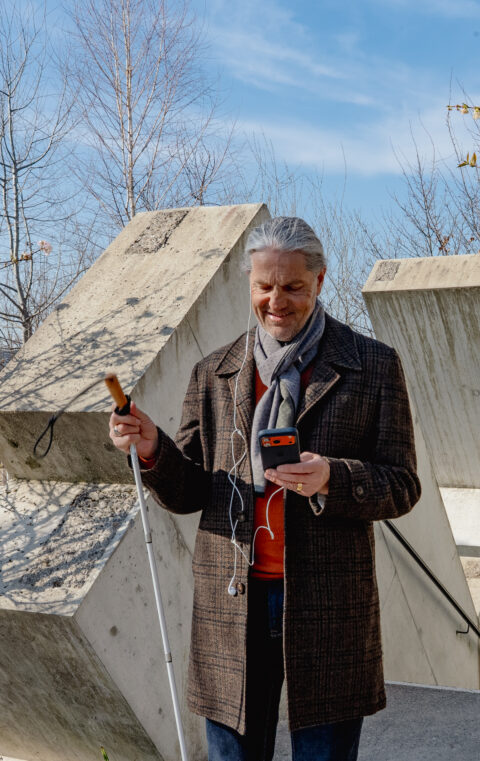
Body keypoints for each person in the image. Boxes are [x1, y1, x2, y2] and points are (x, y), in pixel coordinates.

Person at [109, 216, 421, 761]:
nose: (277, 301)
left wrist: (333, 477)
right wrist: (153, 447)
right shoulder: (215, 372)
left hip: (329, 607)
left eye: (293, 287)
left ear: (320, 281)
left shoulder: (373, 366)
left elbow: (402, 485)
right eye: (264, 286)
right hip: (230, 607)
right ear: (250, 284)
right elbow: (189, 493)